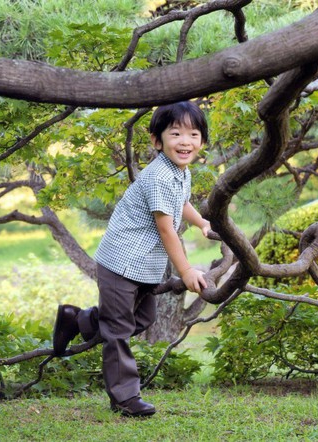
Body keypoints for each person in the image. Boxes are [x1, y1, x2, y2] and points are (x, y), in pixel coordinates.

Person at [52, 101, 211, 417]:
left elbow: (182, 204)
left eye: (193, 134)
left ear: (202, 141)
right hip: (121, 263)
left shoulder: (180, 172)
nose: (185, 141)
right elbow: (167, 231)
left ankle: (77, 319)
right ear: (156, 140)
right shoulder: (159, 177)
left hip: (144, 267)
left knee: (143, 318)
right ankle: (125, 397)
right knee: (118, 330)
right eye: (175, 133)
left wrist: (202, 222)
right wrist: (187, 270)